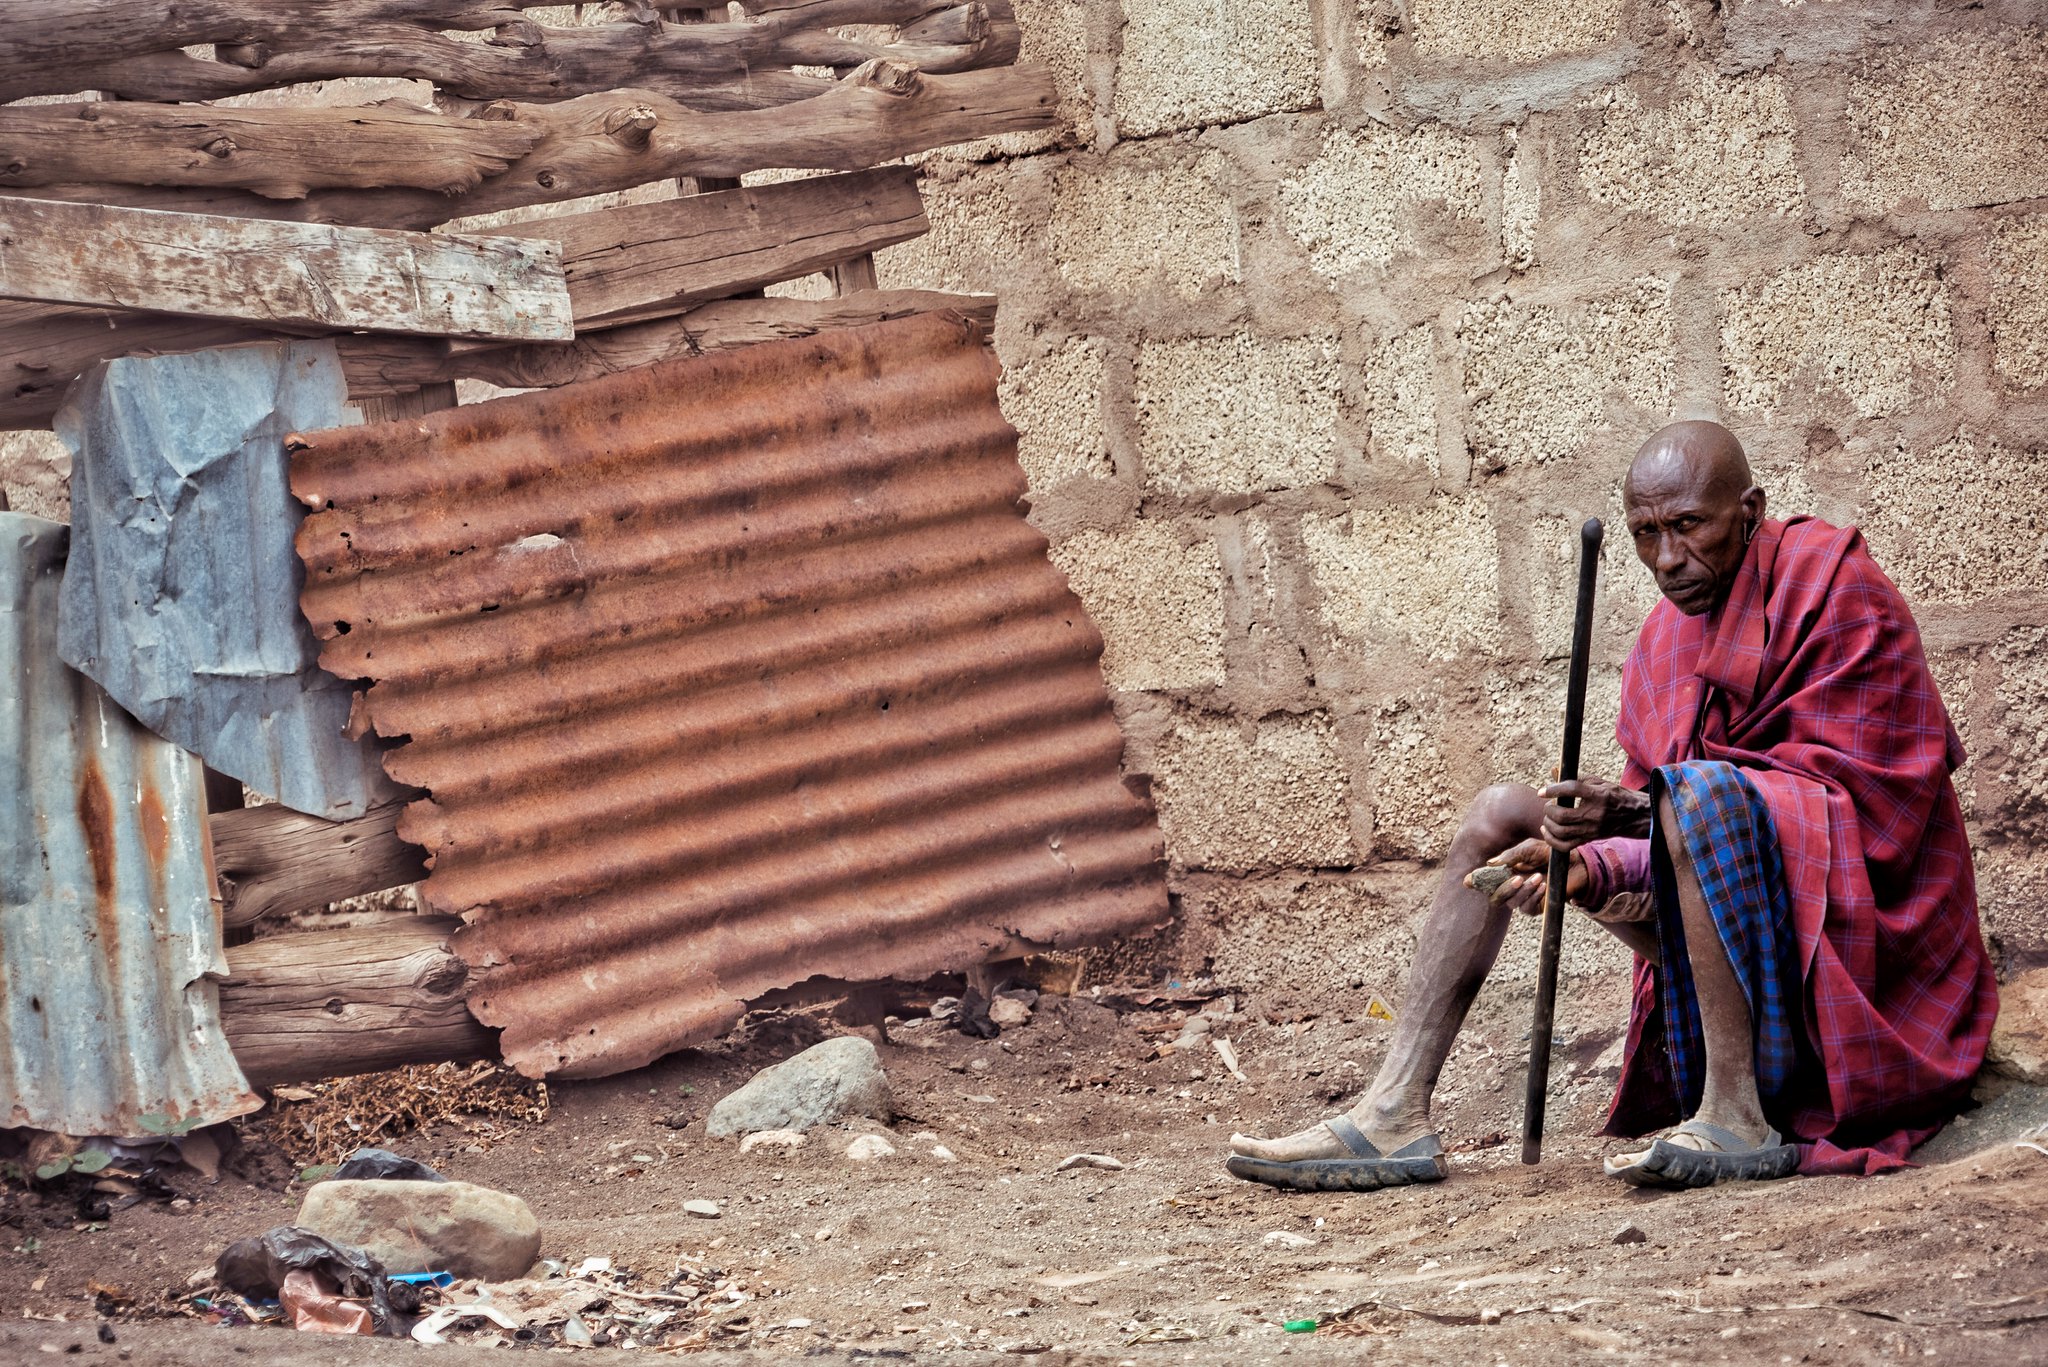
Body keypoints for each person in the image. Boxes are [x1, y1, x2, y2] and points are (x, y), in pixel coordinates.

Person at [1226, 419, 1998, 1191]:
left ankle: (1735, 1114)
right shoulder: (1664, 643)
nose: (1668, 559)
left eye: (1690, 526)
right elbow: (1670, 838)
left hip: (1859, 958)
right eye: (1646, 533)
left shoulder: (1836, 587)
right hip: (1733, 938)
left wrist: (1638, 812)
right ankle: (1393, 1111)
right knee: (1504, 810)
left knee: (1697, 792)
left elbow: (1865, 819)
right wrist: (1582, 869)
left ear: (1751, 510)